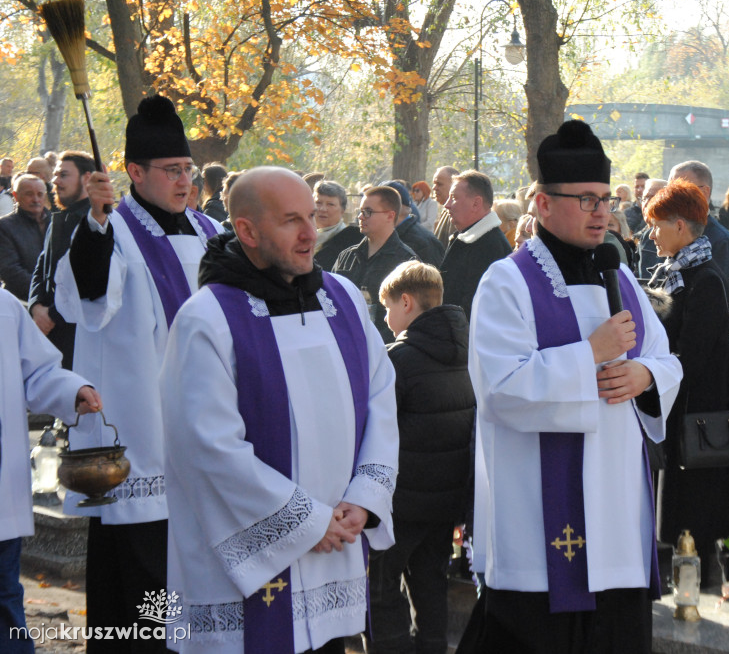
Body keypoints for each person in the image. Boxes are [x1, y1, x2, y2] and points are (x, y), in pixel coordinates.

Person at [462, 120, 681, 653]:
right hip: (538, 530)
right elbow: (500, 389)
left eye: (605, 200)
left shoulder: (620, 277)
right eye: (585, 200)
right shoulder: (506, 281)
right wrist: (591, 354)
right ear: (542, 203)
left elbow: (665, 359)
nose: (601, 212)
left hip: (619, 519)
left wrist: (646, 376)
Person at [160, 167, 398, 653]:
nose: (311, 233)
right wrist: (308, 524)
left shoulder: (344, 299)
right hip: (249, 578)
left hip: (335, 552)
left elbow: (381, 397)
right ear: (247, 231)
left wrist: (365, 497)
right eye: (292, 221)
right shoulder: (206, 318)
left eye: (311, 216)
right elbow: (207, 447)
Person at [54, 94, 224, 646]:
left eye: (187, 169)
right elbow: (87, 295)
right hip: (140, 435)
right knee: (138, 572)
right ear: (134, 172)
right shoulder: (112, 230)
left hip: (202, 427)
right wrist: (95, 222)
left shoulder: (209, 231)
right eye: (171, 170)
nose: (184, 181)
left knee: (187, 570)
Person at [365, 261, 475, 654]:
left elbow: (376, 430)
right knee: (431, 587)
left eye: (388, 307)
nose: (385, 318)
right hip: (446, 502)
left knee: (379, 591)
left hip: (400, 504)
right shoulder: (467, 354)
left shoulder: (398, 359)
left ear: (407, 303)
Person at [643, 179, 729, 583]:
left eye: (656, 225)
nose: (651, 235)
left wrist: (651, 373)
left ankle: (696, 586)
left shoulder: (705, 279)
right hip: (674, 407)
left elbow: (693, 356)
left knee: (694, 510)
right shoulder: (676, 272)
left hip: (695, 414)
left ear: (680, 227)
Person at [0, 288, 103, 654]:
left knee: (4, 600)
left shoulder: (5, 309)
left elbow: (38, 372)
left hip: (1, 496)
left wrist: (72, 390)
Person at [29, 151, 96, 367]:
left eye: (63, 175)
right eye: (56, 175)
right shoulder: (59, 218)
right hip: (49, 334)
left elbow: (89, 279)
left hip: (78, 338)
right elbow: (42, 266)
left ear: (86, 178)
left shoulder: (97, 223)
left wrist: (52, 315)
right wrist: (36, 305)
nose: (55, 181)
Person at [334, 185, 418, 342]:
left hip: (384, 347)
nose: (361, 217)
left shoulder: (407, 263)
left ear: (390, 215)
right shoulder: (347, 256)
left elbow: (410, 317)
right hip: (345, 342)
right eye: (360, 211)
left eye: (368, 212)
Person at [439, 170, 511, 320]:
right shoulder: (470, 238)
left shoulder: (490, 247)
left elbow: (473, 311)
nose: (447, 205)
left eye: (454, 198)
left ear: (476, 203)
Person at [669, 161, 729, 302]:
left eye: (680, 189)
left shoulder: (722, 240)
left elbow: (722, 296)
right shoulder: (665, 233)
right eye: (670, 189)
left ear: (704, 192)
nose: (671, 196)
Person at [0, 173, 49, 301]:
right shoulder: (5, 227)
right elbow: (10, 270)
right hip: (20, 302)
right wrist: (42, 293)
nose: (36, 199)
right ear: (16, 196)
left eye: (40, 194)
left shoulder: (56, 223)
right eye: (29, 194)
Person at [387, 180, 445, 267]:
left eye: (417, 190)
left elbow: (430, 222)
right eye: (414, 190)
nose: (415, 193)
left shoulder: (425, 243)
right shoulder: (417, 203)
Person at [313, 179, 361, 269]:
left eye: (330, 204)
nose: (323, 209)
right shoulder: (301, 236)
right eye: (318, 203)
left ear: (342, 210)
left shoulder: (350, 241)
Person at [431, 166, 460, 244]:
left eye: (439, 184)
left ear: (454, 186)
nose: (434, 188)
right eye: (434, 184)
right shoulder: (446, 209)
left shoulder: (456, 213)